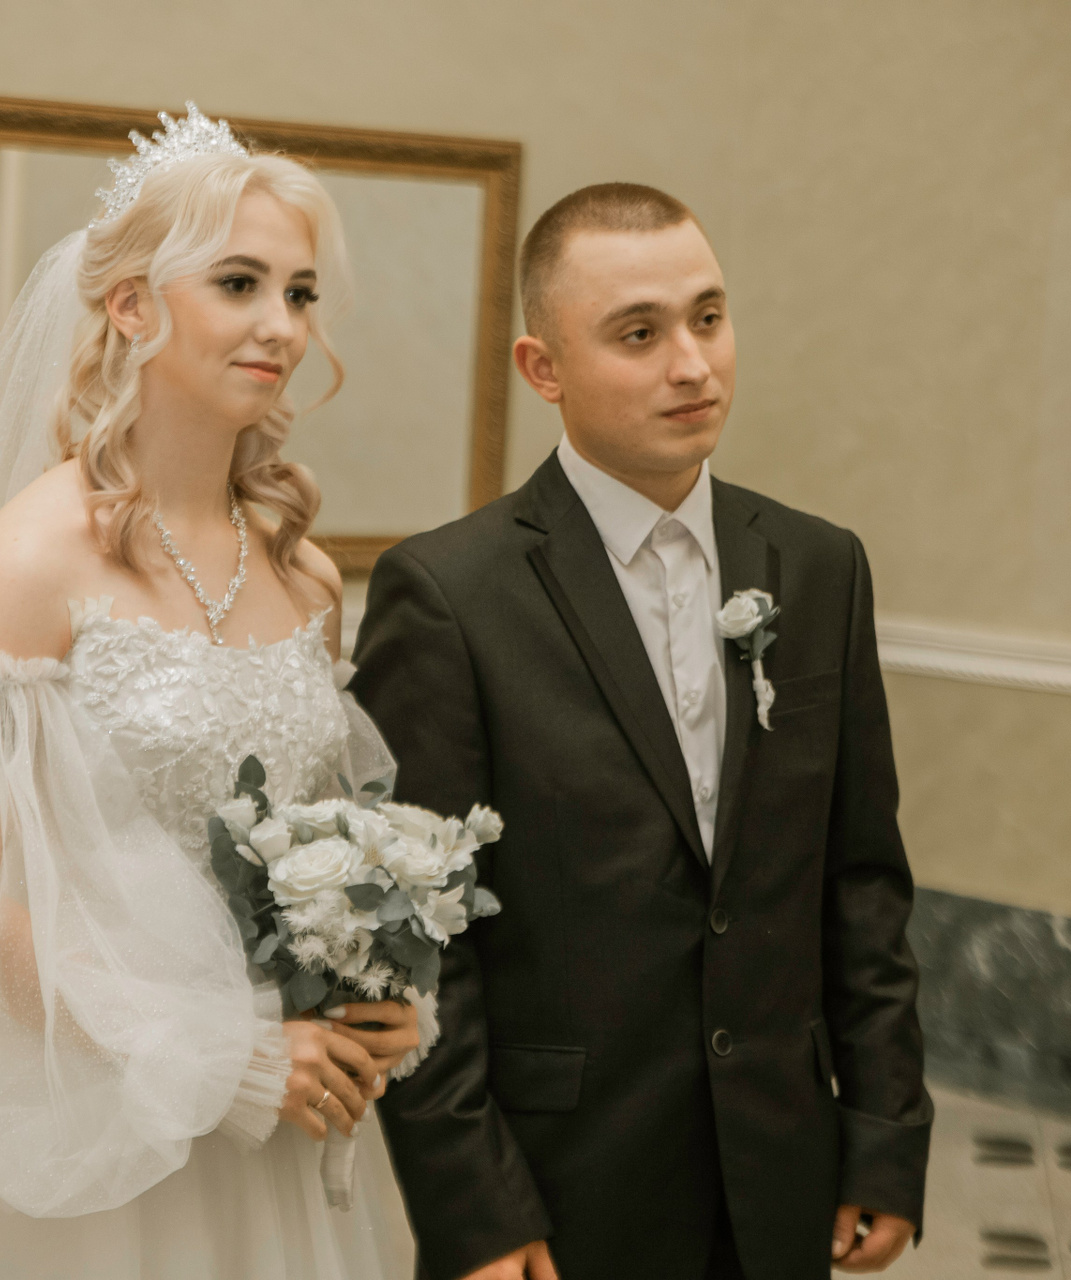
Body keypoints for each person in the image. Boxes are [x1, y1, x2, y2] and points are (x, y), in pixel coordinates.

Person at [0, 107, 418, 1280]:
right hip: (81, 1128)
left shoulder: (306, 576)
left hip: (276, 1123)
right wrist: (215, 1056)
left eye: (299, 293)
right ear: (131, 305)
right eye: (238, 282)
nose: (281, 326)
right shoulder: (32, 560)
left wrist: (371, 983)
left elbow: (312, 848)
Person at [352, 183, 933, 1279]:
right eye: (639, 333)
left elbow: (861, 881)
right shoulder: (448, 594)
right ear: (544, 368)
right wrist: (475, 1208)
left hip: (780, 1167)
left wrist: (886, 1132)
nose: (693, 364)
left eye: (708, 317)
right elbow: (421, 941)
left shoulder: (819, 566)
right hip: (562, 1183)